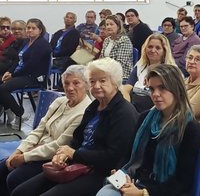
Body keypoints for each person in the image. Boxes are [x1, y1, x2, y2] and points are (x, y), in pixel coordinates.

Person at [11, 58, 138, 196]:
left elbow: (112, 157)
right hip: (77, 164)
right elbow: (77, 139)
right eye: (92, 81)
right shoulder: (94, 106)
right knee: (21, 192)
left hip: (100, 173)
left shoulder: (124, 113)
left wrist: (73, 154)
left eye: (102, 81)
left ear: (115, 82)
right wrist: (61, 156)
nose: (96, 86)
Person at [96, 64, 200, 196]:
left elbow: (183, 183)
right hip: (135, 182)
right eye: (152, 89)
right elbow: (128, 156)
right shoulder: (145, 118)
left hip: (162, 191)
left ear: (177, 89)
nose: (155, 94)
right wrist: (120, 173)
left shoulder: (190, 129)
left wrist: (143, 193)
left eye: (162, 88)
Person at [0, 65, 92, 196]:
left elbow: (59, 145)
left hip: (51, 157)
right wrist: (19, 151)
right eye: (66, 83)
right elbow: (39, 129)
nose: (70, 88)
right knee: (3, 167)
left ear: (86, 85)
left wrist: (24, 157)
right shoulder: (60, 101)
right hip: (35, 149)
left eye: (76, 83)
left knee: (13, 178)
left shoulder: (84, 112)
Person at [0, 18, 52, 129]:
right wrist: (9, 72)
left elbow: (30, 66)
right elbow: (18, 61)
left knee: (2, 89)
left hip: (34, 77)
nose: (30, 30)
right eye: (28, 28)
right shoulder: (26, 42)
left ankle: (19, 113)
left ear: (40, 30)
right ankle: (10, 111)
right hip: (22, 74)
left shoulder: (42, 44)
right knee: (1, 84)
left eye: (33, 28)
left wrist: (12, 76)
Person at [122, 33, 176, 113]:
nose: (153, 50)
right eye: (150, 47)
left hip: (153, 112)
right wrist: (128, 108)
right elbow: (126, 88)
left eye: (158, 48)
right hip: (133, 110)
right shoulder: (140, 66)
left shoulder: (170, 71)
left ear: (164, 51)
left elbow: (167, 100)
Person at [101, 15, 133, 81]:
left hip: (122, 76)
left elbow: (119, 64)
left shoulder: (124, 40)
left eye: (111, 24)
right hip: (107, 74)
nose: (109, 27)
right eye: (107, 24)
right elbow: (102, 58)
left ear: (118, 26)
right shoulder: (107, 40)